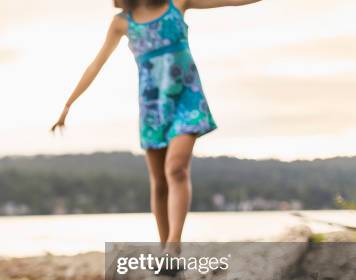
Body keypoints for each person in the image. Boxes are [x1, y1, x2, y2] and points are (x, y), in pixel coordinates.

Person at [51, 0, 262, 255]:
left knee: (176, 168)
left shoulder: (177, 3)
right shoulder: (122, 22)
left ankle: (173, 245)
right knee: (159, 182)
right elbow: (96, 64)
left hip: (187, 100)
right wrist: (68, 105)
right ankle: (167, 254)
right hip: (153, 107)